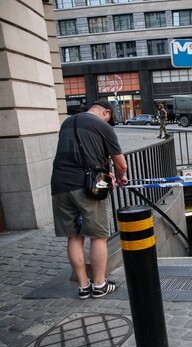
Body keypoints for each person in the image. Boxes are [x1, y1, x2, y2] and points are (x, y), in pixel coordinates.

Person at [51, 100, 128, 299]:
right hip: (88, 187)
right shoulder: (103, 126)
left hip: (59, 185)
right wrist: (120, 178)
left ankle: (83, 286)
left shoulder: (67, 123)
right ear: (106, 113)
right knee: (98, 236)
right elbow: (121, 164)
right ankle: (100, 284)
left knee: (74, 236)